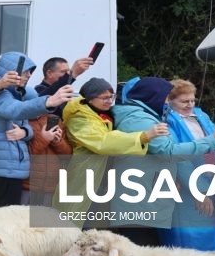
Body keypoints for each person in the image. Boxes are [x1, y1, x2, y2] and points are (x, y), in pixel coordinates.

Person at [112, 77, 215, 247]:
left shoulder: (148, 115)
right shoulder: (142, 120)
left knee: (147, 247)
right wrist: (213, 140)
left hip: (147, 195)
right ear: (154, 96)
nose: (167, 102)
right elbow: (170, 152)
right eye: (167, 97)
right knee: (142, 250)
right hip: (141, 196)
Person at [54, 77, 168, 229]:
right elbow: (103, 142)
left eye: (111, 97)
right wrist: (143, 136)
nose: (109, 101)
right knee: (77, 222)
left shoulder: (104, 114)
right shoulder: (79, 118)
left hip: (102, 178)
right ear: (89, 99)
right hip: (86, 175)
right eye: (104, 98)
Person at [0, 52, 74, 207]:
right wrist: (50, 101)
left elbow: (26, 121)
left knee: (14, 219)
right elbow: (17, 110)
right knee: (3, 217)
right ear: (12, 72)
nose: (30, 75)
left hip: (15, 168)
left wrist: (25, 132)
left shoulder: (18, 95)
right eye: (26, 71)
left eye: (31, 71)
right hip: (3, 169)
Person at [158, 79, 215, 250]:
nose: (190, 105)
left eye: (193, 100)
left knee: (214, 237)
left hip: (213, 182)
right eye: (184, 101)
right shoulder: (166, 120)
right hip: (187, 189)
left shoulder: (201, 115)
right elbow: (179, 158)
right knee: (192, 240)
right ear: (169, 100)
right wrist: (199, 190)